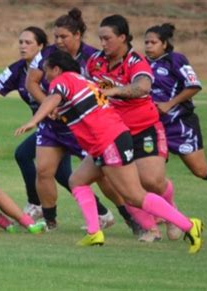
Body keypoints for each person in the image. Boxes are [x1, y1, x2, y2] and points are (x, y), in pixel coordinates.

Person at [15, 50, 204, 254]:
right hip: (108, 139)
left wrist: (34, 120)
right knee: (77, 181)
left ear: (57, 69)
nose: (45, 76)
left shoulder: (62, 79)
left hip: (108, 141)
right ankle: (94, 233)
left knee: (134, 196)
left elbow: (52, 98)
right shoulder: (80, 79)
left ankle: (188, 225)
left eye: (46, 71)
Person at [25, 8, 129, 231]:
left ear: (78, 36)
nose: (58, 41)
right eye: (56, 37)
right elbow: (31, 82)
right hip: (52, 125)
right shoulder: (46, 55)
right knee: (43, 170)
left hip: (82, 128)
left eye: (64, 37)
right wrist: (49, 105)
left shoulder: (93, 57)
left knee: (103, 176)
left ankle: (129, 217)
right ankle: (50, 221)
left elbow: (101, 90)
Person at [86, 15, 182, 242]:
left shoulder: (135, 61)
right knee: (119, 184)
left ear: (122, 37)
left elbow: (142, 87)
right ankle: (150, 229)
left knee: (152, 182)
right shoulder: (95, 61)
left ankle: (172, 214)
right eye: (100, 39)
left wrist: (114, 91)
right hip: (112, 132)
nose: (102, 44)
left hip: (143, 127)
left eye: (107, 38)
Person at [0, 26, 71, 221]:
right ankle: (99, 213)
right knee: (56, 171)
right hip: (46, 128)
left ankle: (39, 205)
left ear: (41, 46)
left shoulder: (52, 64)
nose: (23, 46)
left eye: (28, 42)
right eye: (21, 42)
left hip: (65, 127)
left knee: (54, 169)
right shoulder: (18, 69)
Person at [144, 23, 207, 219]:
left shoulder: (176, 60)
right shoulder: (142, 63)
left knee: (200, 170)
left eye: (153, 42)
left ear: (164, 43)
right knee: (150, 173)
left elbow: (194, 85)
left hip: (180, 123)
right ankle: (162, 212)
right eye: (146, 42)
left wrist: (169, 104)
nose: (148, 46)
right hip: (153, 126)